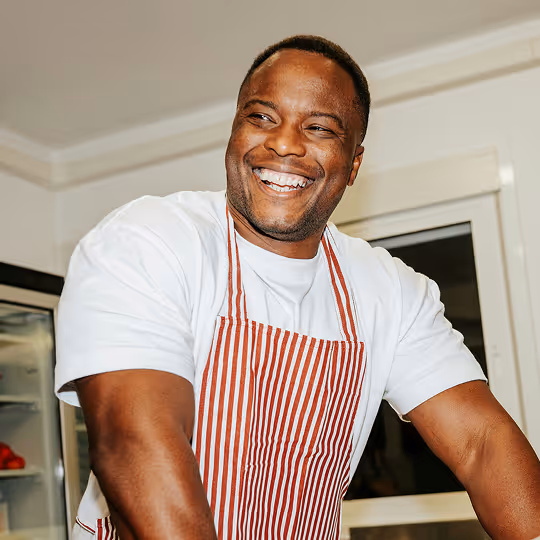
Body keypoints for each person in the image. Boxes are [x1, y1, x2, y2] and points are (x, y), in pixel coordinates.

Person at [55, 35, 540, 540]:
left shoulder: (389, 291)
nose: (284, 143)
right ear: (234, 130)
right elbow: (135, 443)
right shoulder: (149, 239)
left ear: (353, 164)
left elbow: (482, 444)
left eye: (320, 128)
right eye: (261, 117)